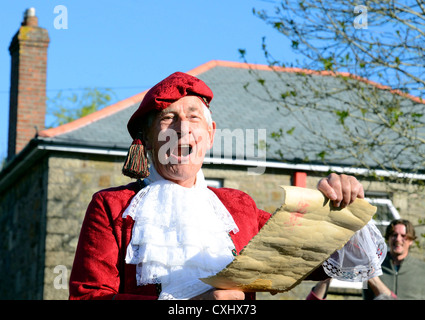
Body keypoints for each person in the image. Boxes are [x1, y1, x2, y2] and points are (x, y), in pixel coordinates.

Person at [69, 72, 366, 300]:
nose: (182, 128)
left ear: (210, 136)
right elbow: (88, 296)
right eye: (168, 118)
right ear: (146, 139)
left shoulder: (239, 207)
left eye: (193, 118)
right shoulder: (113, 206)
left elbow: (322, 263)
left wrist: (339, 209)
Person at [363, 219, 425, 300]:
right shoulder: (373, 268)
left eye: (403, 236)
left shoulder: (422, 270)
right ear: (388, 238)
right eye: (394, 235)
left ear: (411, 240)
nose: (398, 239)